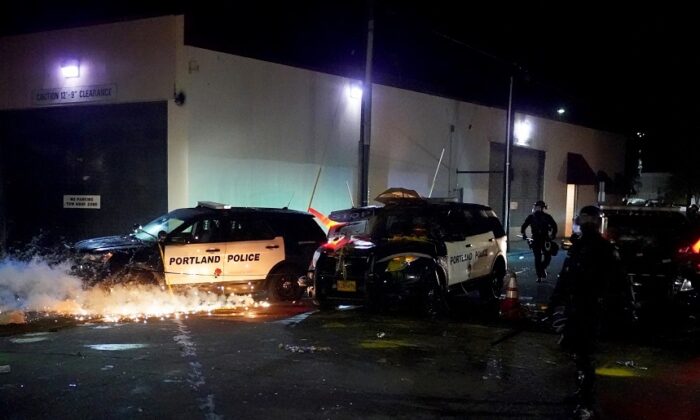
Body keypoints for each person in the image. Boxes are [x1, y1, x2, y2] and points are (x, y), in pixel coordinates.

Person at [548, 205, 624, 419]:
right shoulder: (580, 246)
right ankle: (582, 394)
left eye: (584, 219)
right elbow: (566, 276)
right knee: (578, 353)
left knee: (585, 354)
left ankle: (587, 403)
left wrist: (610, 308)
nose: (581, 223)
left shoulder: (602, 249)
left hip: (591, 309)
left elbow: (615, 282)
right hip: (576, 307)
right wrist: (555, 303)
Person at [521, 200, 558, 281]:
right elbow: (524, 226)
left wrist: (553, 234)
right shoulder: (531, 217)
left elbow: (554, 226)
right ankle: (539, 275)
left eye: (539, 207)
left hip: (545, 239)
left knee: (547, 257)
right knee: (538, 257)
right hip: (536, 239)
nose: (537, 209)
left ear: (542, 208)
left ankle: (541, 270)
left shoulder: (547, 217)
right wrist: (524, 234)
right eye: (536, 207)